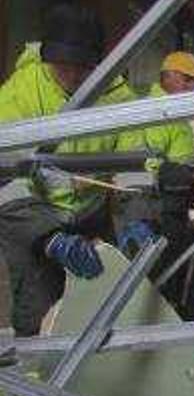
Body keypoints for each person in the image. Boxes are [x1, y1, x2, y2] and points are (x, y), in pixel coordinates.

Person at [0, 4, 142, 336]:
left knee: (106, 311)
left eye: (83, 67)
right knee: (39, 316)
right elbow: (5, 183)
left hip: (93, 217)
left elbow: (135, 171)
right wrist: (49, 238)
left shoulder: (119, 99)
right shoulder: (15, 97)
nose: (74, 76)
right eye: (63, 66)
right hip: (34, 218)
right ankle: (38, 385)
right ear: (47, 56)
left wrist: (136, 217)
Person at [116, 51, 194, 320]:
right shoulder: (154, 112)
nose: (193, 86)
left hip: (174, 210)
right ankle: (166, 341)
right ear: (168, 77)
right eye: (188, 79)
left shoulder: (176, 116)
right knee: (161, 282)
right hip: (153, 211)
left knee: (180, 277)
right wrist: (178, 174)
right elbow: (140, 166)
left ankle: (185, 333)